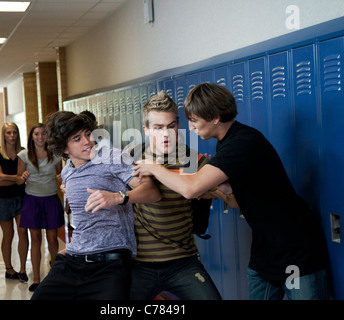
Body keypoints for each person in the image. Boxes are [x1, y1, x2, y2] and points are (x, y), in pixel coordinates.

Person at [133, 83, 328, 300]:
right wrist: (216, 191)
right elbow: (236, 200)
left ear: (215, 117)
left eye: (194, 120)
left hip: (294, 247)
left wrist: (155, 168)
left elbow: (189, 189)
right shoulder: (225, 143)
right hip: (265, 248)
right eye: (159, 127)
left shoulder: (242, 143)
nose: (190, 128)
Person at [31, 111, 161, 300]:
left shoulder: (112, 157)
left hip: (110, 262)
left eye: (88, 134)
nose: (87, 141)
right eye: (77, 138)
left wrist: (118, 197)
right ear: (64, 149)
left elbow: (152, 192)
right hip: (73, 259)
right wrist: (76, 245)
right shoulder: (67, 172)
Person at [126, 91, 222, 300]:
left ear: (178, 125)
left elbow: (228, 189)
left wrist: (213, 190)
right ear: (147, 130)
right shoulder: (131, 157)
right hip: (139, 264)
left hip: (183, 261)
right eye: (158, 128)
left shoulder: (193, 160)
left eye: (171, 126)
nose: (166, 134)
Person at [16, 123, 64, 292]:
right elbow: (18, 180)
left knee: (52, 239)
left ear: (47, 136)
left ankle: (54, 274)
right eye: (36, 134)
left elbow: (61, 177)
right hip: (32, 201)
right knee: (35, 239)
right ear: (32, 136)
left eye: (43, 134)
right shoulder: (24, 155)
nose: (40, 137)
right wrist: (22, 177)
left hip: (50, 199)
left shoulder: (55, 154)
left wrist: (61, 178)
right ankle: (36, 278)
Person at [0, 122, 29, 282]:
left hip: (22, 197)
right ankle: (8, 268)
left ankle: (22, 268)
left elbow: (17, 181)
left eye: (14, 132)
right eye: (8, 133)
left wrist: (5, 176)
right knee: (8, 234)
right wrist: (17, 178)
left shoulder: (23, 152)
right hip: (3, 200)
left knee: (22, 232)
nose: (12, 136)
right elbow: (0, 182)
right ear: (3, 135)